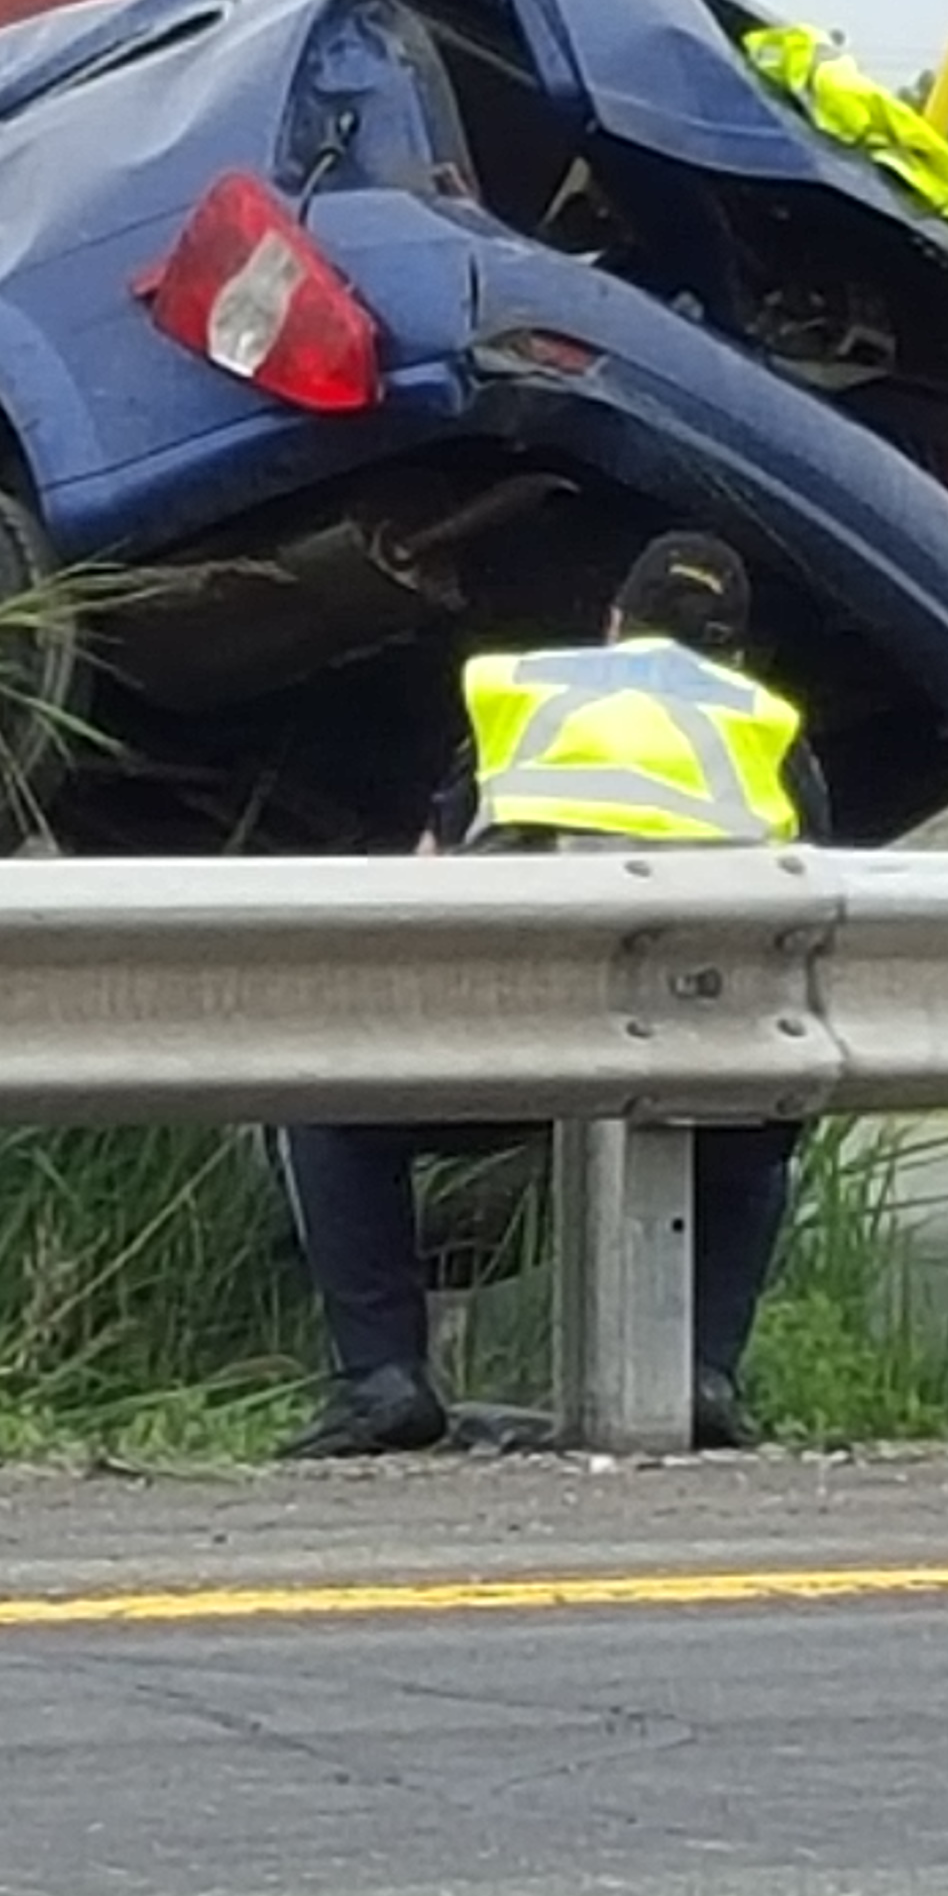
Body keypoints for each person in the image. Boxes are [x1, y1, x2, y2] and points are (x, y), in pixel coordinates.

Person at [273, 530, 827, 1461]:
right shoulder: (769, 729)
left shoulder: (529, 694)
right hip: (698, 1054)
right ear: (732, 652)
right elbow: (801, 919)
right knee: (765, 1122)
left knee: (324, 1109)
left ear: (615, 624)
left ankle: (383, 1380)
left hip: (519, 1045)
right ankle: (700, 1376)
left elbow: (429, 884)